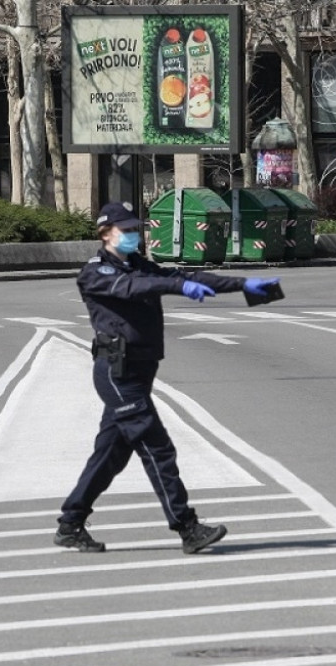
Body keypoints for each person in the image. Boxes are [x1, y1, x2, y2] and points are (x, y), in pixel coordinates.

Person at [55, 201, 280, 554]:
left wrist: (243, 284)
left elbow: (185, 277)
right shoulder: (96, 272)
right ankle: (187, 527)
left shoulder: (139, 264)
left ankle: (70, 523)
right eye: (126, 230)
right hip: (118, 373)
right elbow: (135, 288)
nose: (134, 235)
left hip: (140, 370)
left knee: (111, 453)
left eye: (136, 229)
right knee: (157, 448)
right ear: (105, 233)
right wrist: (177, 288)